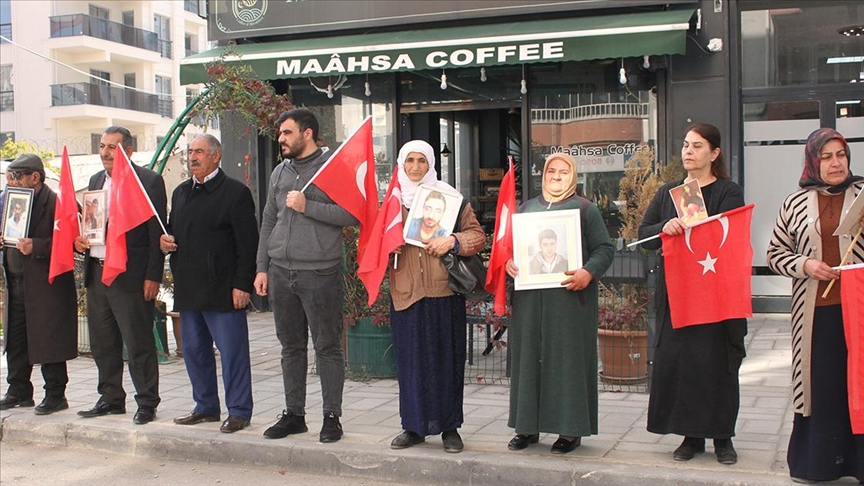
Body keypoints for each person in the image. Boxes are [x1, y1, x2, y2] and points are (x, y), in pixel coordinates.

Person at [638, 123, 747, 465]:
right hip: (679, 294)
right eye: (686, 145)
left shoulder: (728, 191)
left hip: (717, 295)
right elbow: (644, 234)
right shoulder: (669, 193)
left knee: (717, 364)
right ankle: (691, 436)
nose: (688, 151)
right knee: (684, 364)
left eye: (697, 146)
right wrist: (665, 228)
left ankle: (722, 437)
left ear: (714, 153)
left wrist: (693, 215)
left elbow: (727, 232)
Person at [254, 108, 358, 443]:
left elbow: (350, 214)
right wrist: (261, 267)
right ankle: (294, 415)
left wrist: (307, 206)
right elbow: (269, 220)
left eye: (286, 133)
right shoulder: (279, 172)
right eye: (281, 133)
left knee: (327, 346)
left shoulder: (334, 168)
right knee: (290, 347)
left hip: (320, 272)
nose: (281, 139)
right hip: (281, 272)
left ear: (307, 133)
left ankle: (332, 417)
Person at [766, 127, 864, 484]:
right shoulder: (794, 203)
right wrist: (806, 265)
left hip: (859, 309)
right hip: (814, 313)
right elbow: (775, 254)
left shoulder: (863, 195)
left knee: (859, 381)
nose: (836, 163)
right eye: (827, 156)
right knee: (822, 384)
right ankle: (819, 464)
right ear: (813, 160)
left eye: (841, 155)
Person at [505, 152, 614, 454]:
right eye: (551, 170)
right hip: (529, 303)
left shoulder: (585, 210)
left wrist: (587, 272)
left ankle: (570, 430)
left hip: (569, 302)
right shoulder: (526, 210)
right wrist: (511, 264)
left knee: (567, 363)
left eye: (563, 171)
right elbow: (513, 251)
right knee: (527, 361)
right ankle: (526, 427)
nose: (556, 176)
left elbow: (605, 248)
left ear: (573, 176)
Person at [387, 140, 485, 453]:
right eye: (410, 161)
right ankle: (413, 427)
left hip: (443, 292)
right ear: (401, 164)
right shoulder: (390, 202)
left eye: (422, 162)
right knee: (410, 364)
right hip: (406, 293)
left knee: (446, 362)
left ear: (431, 165)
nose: (416, 168)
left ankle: (449, 428)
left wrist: (453, 241)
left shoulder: (450, 197)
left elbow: (477, 236)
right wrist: (384, 245)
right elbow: (372, 242)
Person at [160, 134, 259, 434]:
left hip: (224, 289)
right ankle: (205, 406)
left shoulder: (235, 193)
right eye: (190, 152)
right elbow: (173, 231)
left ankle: (239, 410)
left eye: (199, 152)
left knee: (232, 353)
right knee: (193, 350)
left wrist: (243, 285)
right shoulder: (180, 193)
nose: (193, 157)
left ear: (216, 156)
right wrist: (164, 242)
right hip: (189, 289)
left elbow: (248, 244)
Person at [73, 126, 167, 425]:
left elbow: (156, 233)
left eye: (112, 147)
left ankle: (147, 402)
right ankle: (111, 398)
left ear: (128, 151)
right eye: (102, 146)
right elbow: (91, 224)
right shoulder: (96, 180)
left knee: (138, 343)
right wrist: (80, 241)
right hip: (98, 272)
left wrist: (153, 275)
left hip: (130, 276)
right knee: (103, 342)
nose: (104, 153)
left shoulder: (148, 181)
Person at [0, 155, 77, 414]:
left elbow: (74, 241)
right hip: (17, 281)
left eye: (18, 175)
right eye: (10, 176)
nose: (13, 181)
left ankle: (56, 394)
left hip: (46, 283)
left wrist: (38, 246)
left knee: (48, 338)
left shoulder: (57, 202)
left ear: (35, 177)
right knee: (17, 337)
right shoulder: (11, 201)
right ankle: (18, 389)